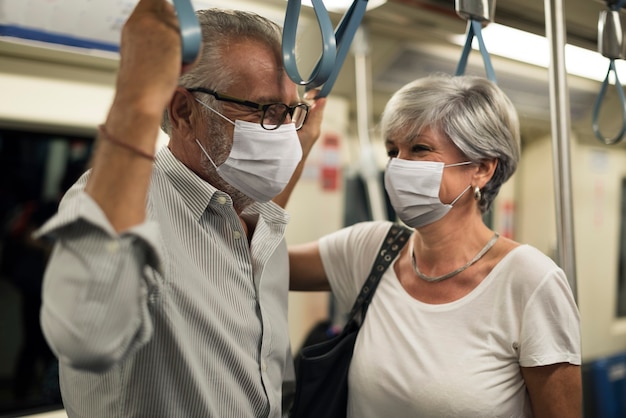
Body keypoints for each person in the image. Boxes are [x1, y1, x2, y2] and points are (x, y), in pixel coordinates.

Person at [37, 1, 326, 417]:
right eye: (264, 111)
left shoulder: (257, 216)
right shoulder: (130, 204)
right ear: (184, 111)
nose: (282, 132)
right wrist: (137, 97)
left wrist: (304, 133)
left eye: (289, 113)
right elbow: (87, 337)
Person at [289, 74, 581, 417]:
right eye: (392, 151)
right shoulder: (371, 249)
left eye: (419, 149)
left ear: (482, 168)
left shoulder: (530, 281)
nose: (398, 166)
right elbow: (250, 258)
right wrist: (298, 148)